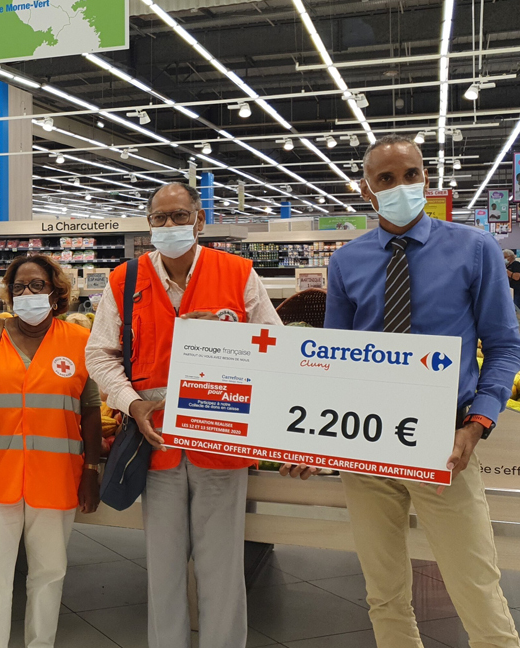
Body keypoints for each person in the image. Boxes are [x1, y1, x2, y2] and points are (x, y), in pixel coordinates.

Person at [309, 134, 520, 648]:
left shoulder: (473, 248)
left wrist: (479, 423)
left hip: (444, 442)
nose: (402, 186)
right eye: (386, 179)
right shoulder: (347, 262)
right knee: (383, 590)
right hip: (365, 445)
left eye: (411, 175)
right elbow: (330, 358)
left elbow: (504, 343)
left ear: (426, 178)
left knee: (475, 583)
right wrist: (311, 433)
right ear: (366, 190)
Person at [85, 181, 282, 648]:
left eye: (179, 216)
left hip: (222, 434)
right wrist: (132, 403)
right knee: (164, 564)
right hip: (156, 441)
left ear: (199, 220)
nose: (169, 226)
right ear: (149, 224)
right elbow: (99, 355)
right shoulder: (125, 279)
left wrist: (235, 356)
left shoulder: (238, 273)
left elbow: (275, 346)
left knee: (222, 565)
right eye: (160, 218)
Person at [0, 255, 102, 648]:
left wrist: (92, 469)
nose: (28, 293)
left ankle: (40, 643)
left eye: (37, 285)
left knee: (49, 570)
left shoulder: (79, 340)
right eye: (19, 287)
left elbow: (90, 409)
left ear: (56, 293)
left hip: (57, 475)